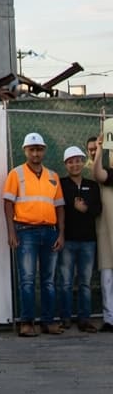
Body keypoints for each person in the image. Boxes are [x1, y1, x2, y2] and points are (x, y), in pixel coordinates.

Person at [3, 131, 65, 336]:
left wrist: (61, 234)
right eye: (32, 150)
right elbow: (8, 203)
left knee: (49, 281)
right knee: (27, 280)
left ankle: (48, 321)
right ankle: (27, 323)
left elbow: (59, 207)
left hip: (50, 232)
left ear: (44, 151)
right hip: (25, 231)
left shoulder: (53, 176)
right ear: (25, 151)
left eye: (39, 149)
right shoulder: (16, 174)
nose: (36, 153)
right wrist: (11, 231)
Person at [57, 144, 100, 331]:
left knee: (85, 283)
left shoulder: (93, 185)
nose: (74, 165)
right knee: (66, 282)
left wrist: (85, 209)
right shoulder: (60, 184)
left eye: (77, 161)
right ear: (65, 165)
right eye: (70, 162)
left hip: (88, 241)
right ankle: (65, 318)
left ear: (83, 162)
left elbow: (98, 209)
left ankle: (84, 319)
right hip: (67, 240)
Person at [87, 131, 113, 332]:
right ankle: (109, 318)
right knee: (107, 277)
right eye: (91, 150)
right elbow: (98, 173)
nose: (94, 152)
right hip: (104, 231)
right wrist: (100, 150)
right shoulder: (90, 168)